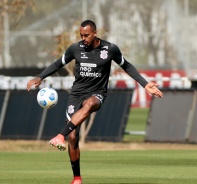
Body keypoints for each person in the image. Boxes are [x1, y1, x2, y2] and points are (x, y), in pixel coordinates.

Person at [27, 20, 163, 184]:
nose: (83, 38)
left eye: (86, 35)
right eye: (81, 35)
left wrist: (145, 84)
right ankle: (77, 177)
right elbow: (58, 63)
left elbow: (127, 66)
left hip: (97, 93)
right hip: (76, 95)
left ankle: (58, 136)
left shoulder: (110, 49)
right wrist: (40, 77)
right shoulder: (75, 49)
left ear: (95, 33)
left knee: (90, 104)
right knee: (73, 137)